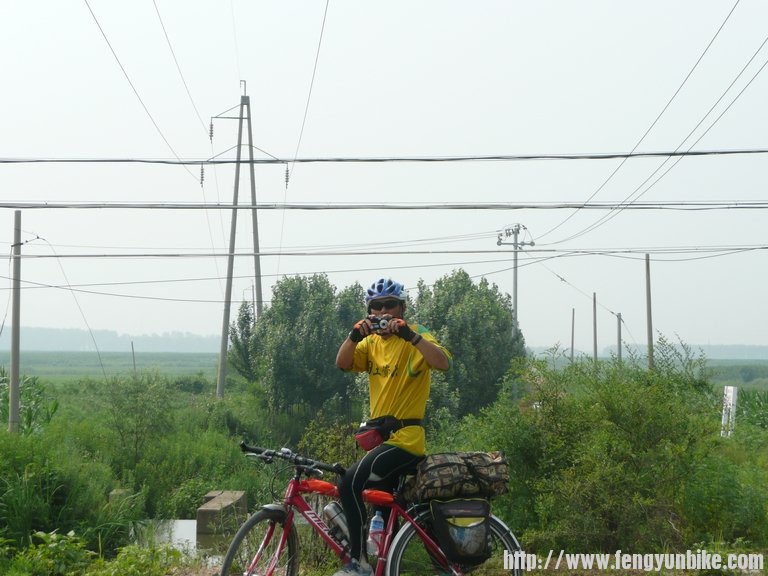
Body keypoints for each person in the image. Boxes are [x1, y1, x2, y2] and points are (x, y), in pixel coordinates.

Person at [333, 277, 451, 576]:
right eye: (377, 307)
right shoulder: (371, 343)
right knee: (385, 518)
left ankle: (357, 562)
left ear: (402, 307)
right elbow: (342, 363)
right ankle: (438, 566)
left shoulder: (417, 336)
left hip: (406, 440)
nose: (383, 312)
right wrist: (354, 335)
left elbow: (442, 363)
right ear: (369, 310)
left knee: (349, 482)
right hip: (380, 440)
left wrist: (410, 335)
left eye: (390, 305)